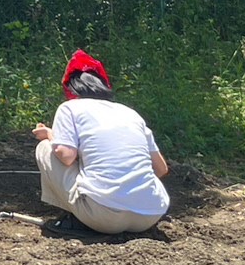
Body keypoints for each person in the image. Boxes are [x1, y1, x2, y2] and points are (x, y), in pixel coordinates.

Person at [32, 49, 171, 234]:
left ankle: (73, 217)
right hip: (151, 214)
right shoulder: (130, 113)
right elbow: (161, 169)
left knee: (45, 148)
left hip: (103, 217)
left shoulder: (70, 108)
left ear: (71, 88)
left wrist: (50, 135)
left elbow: (66, 156)